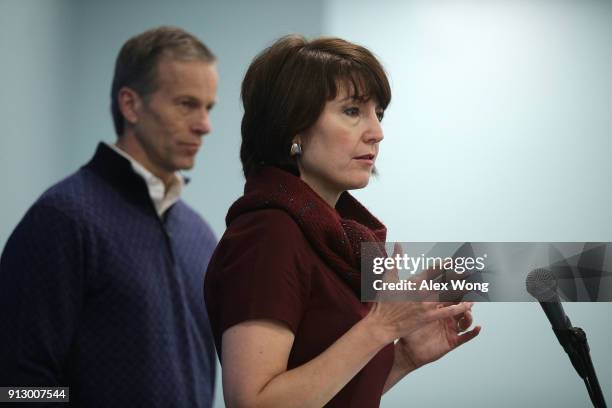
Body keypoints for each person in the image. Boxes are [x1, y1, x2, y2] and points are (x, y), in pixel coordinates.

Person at [204, 35, 481, 407]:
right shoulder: (268, 234)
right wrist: (381, 326)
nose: (377, 132)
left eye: (378, 114)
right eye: (352, 111)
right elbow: (254, 403)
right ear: (294, 128)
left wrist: (402, 358)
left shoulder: (331, 238)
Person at [0, 26, 219, 407]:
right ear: (130, 105)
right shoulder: (61, 219)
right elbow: (17, 387)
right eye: (187, 104)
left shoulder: (199, 236)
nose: (204, 125)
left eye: (208, 107)